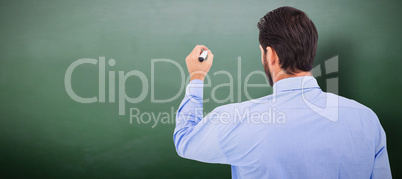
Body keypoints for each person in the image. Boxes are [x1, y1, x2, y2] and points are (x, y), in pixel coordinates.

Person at [173, 6, 391, 178]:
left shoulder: (238, 120)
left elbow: (185, 140)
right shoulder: (366, 120)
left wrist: (197, 76)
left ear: (272, 55)